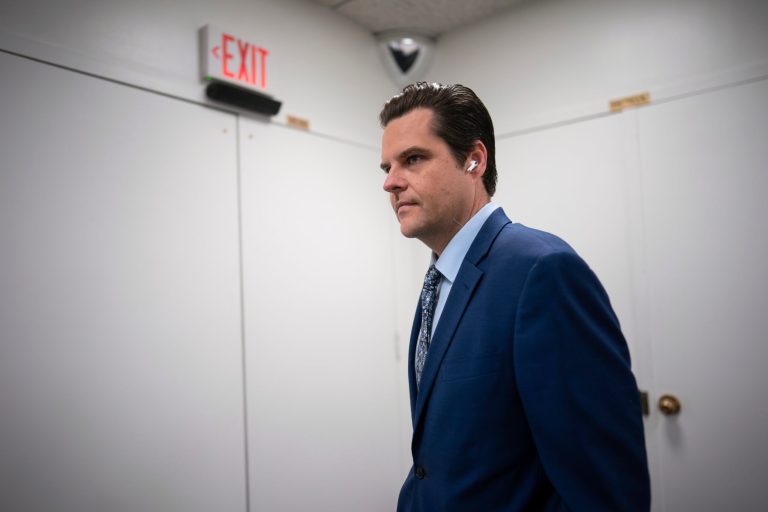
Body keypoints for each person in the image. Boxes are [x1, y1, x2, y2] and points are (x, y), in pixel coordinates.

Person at [379, 82, 650, 511]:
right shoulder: (441, 277)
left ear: (474, 159)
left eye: (413, 159)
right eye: (387, 167)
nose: (391, 183)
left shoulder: (542, 271)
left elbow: (607, 489)